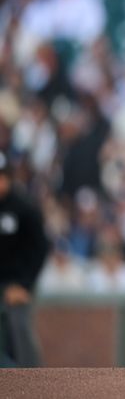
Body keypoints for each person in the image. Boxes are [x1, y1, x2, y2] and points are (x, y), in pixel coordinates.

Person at [0, 152, 50, 367]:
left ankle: (32, 382)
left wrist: (24, 285)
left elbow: (40, 248)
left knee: (20, 327)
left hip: (18, 282)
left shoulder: (24, 207)